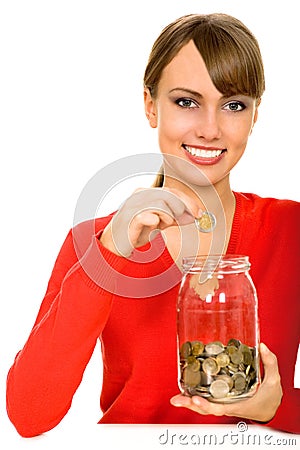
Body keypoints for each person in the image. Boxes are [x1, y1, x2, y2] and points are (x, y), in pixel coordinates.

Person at [6, 13, 299, 437]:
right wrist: (109, 253)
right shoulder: (94, 242)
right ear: (150, 105)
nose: (210, 128)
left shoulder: (292, 230)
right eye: (186, 102)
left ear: (255, 116)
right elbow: (30, 414)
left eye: (234, 105)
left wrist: (276, 408)